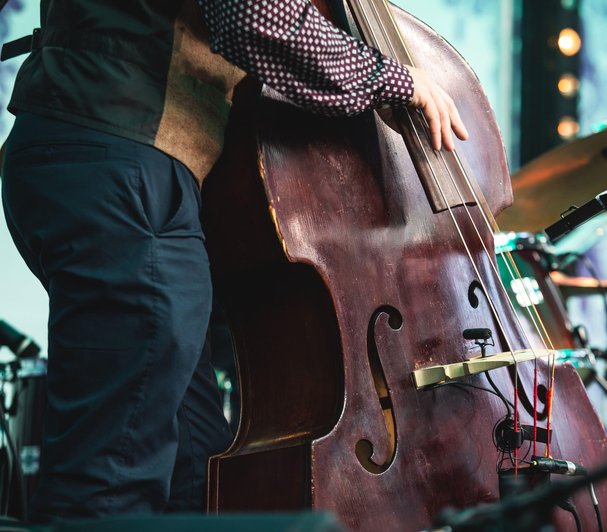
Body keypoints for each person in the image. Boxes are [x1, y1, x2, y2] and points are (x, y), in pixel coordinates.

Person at [0, 0, 467, 522]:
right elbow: (254, 15)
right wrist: (396, 80)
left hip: (86, 149)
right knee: (110, 480)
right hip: (127, 157)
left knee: (193, 460)